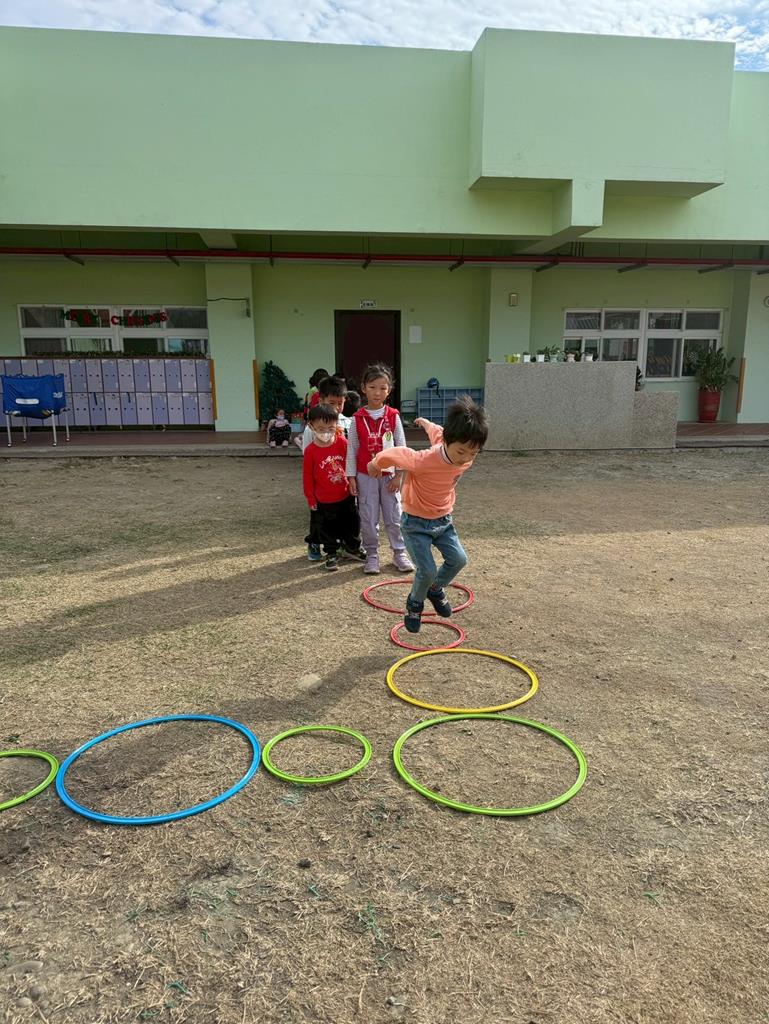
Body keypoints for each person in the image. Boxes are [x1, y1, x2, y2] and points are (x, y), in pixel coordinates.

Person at [367, 394, 488, 633]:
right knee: (427, 570)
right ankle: (414, 605)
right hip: (416, 523)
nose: (465, 459)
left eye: (473, 453)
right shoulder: (424, 460)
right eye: (462, 452)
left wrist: (424, 422)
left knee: (459, 560)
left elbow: (437, 432)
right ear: (449, 442)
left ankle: (434, 589)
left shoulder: (459, 452)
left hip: (443, 519)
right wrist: (376, 463)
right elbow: (398, 453)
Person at [346, 363, 413, 575]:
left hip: (390, 476)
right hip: (365, 476)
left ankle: (399, 553)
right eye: (372, 387)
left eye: (383, 388)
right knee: (368, 516)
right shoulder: (357, 419)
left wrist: (399, 475)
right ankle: (372, 555)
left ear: (389, 390)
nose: (377, 392)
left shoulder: (393, 416)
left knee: (394, 516)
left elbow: (401, 447)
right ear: (363, 388)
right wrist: (351, 477)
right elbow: (352, 449)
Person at [303, 404, 366, 572]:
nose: (326, 432)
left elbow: (351, 464)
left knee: (352, 524)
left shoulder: (342, 443)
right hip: (324, 500)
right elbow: (307, 477)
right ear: (311, 427)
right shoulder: (310, 451)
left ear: (337, 425)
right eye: (321, 429)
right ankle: (331, 553)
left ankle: (352, 548)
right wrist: (311, 498)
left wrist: (353, 482)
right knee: (327, 528)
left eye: (330, 428)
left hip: (345, 495)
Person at [300, 377, 352, 560]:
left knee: (342, 517)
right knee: (319, 517)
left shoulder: (347, 423)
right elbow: (307, 455)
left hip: (341, 483)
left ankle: (343, 544)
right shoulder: (312, 428)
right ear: (321, 400)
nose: (336, 408)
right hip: (320, 483)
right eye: (331, 403)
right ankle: (314, 542)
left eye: (340, 403)